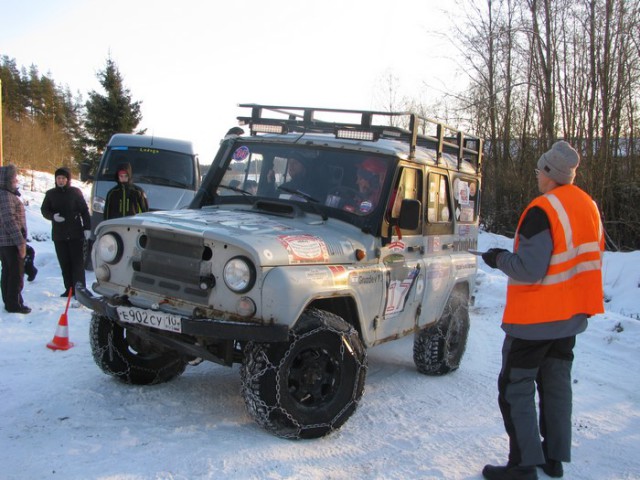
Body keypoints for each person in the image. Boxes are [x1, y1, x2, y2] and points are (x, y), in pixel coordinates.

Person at [480, 141, 604, 480]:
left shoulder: (542, 210)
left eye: (538, 170)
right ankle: (553, 459)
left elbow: (530, 269)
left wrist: (498, 258)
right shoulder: (587, 205)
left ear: (549, 173)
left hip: (535, 321)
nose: (536, 175)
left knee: (515, 388)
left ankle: (522, 465)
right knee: (556, 386)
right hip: (571, 316)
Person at [41, 167, 92, 298]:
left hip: (75, 234)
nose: (61, 180)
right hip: (59, 235)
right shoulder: (50, 194)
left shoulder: (75, 193)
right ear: (56, 180)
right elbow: (44, 210)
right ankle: (68, 289)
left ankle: (80, 290)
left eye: (63, 178)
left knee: (77, 264)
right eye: (59, 178)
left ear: (68, 180)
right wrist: (53, 216)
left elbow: (84, 211)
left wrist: (87, 228)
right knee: (65, 263)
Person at [0, 164, 31, 314]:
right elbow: (9, 221)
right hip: (10, 242)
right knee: (15, 274)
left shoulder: (7, 194)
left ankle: (9, 301)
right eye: (14, 177)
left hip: (5, 242)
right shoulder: (5, 196)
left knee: (7, 271)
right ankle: (14, 304)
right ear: (7, 180)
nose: (16, 180)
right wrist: (20, 242)